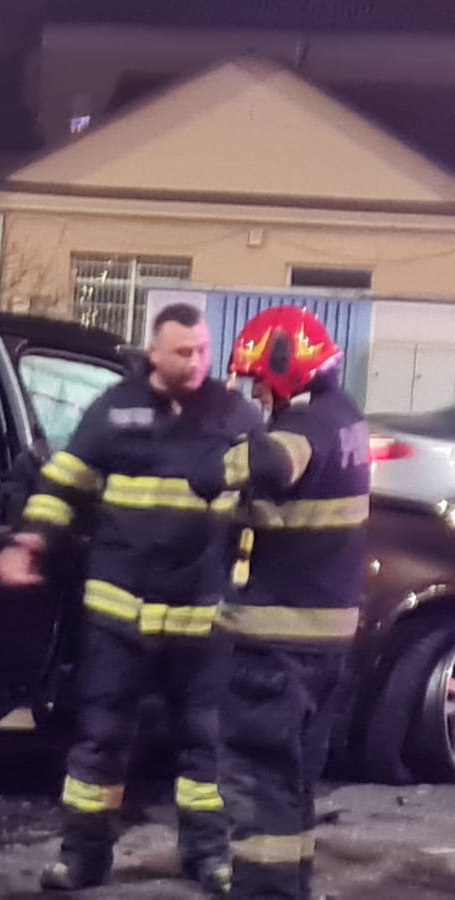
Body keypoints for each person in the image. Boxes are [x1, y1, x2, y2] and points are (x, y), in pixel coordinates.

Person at [0, 302, 264, 893]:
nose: (196, 362)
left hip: (201, 617)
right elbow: (64, 483)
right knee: (101, 743)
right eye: (183, 352)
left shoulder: (235, 414)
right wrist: (30, 542)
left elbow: (263, 499)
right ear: (154, 353)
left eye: (203, 350)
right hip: (121, 614)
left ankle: (208, 858)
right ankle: (83, 859)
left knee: (206, 747)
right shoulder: (114, 411)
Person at [190, 306, 368, 899]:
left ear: (288, 366)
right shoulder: (347, 419)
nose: (256, 393)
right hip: (324, 646)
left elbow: (272, 461)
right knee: (292, 791)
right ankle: (292, 889)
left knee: (259, 792)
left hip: (275, 649)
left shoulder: (302, 429)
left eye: (259, 380)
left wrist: (220, 455)